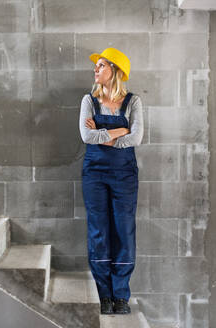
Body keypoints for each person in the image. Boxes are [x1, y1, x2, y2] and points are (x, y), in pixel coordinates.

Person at [78, 47, 144, 315]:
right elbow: (86, 137)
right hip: (94, 174)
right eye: (97, 66)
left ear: (115, 71)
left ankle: (121, 296)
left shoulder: (134, 102)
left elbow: (137, 138)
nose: (96, 69)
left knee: (124, 231)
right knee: (98, 231)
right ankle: (103, 295)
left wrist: (103, 133)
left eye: (102, 65)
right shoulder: (88, 100)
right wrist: (120, 130)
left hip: (124, 176)